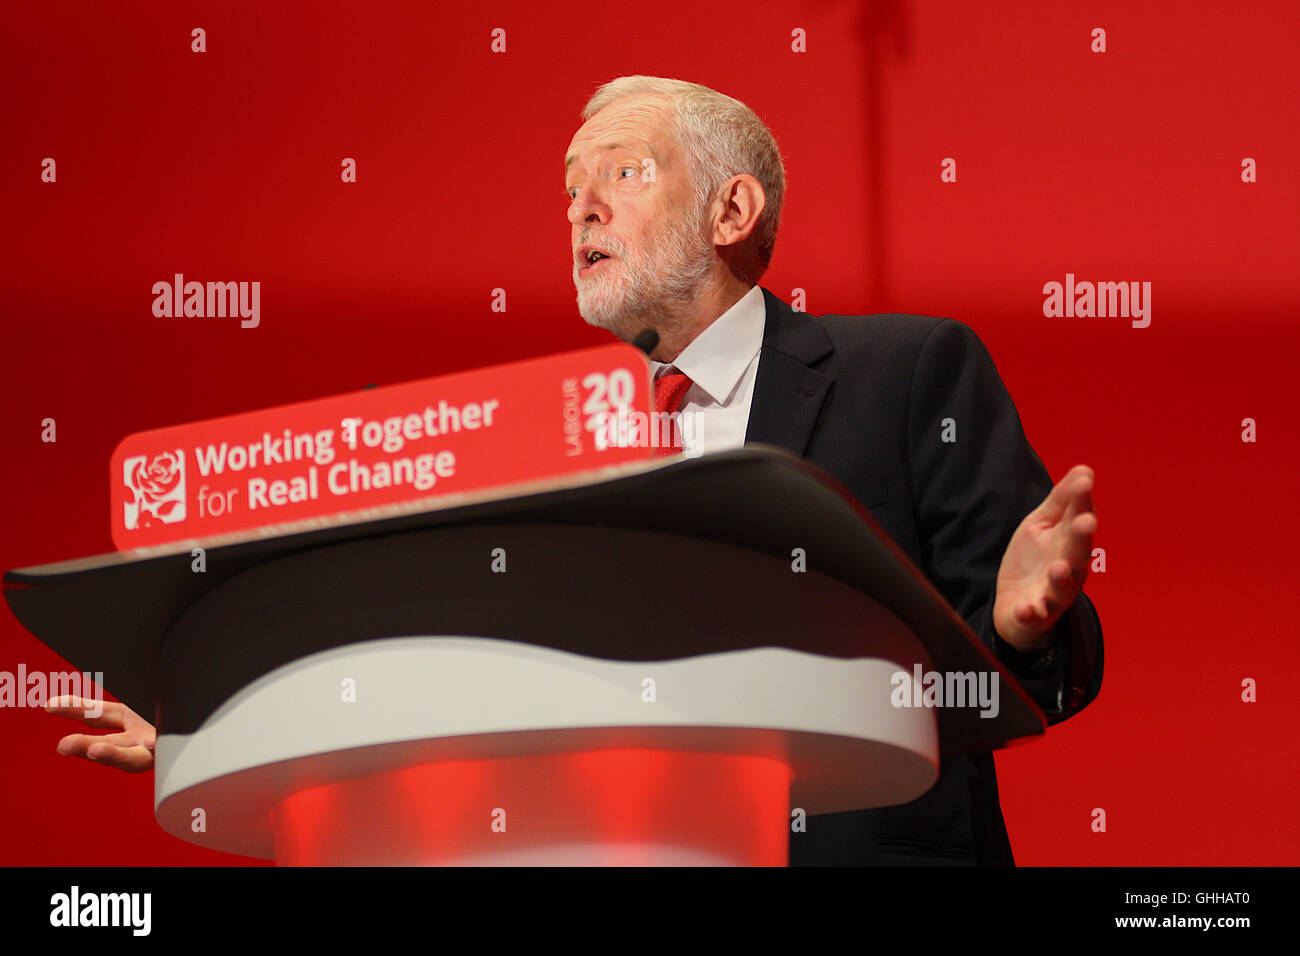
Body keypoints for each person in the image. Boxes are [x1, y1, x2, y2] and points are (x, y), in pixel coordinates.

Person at [50, 74, 1103, 866]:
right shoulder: (553, 437)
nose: (579, 208)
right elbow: (472, 665)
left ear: (731, 213)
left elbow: (1028, 677)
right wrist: (230, 708)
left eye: (621, 174)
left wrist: (1020, 624)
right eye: (568, 190)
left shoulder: (908, 371)